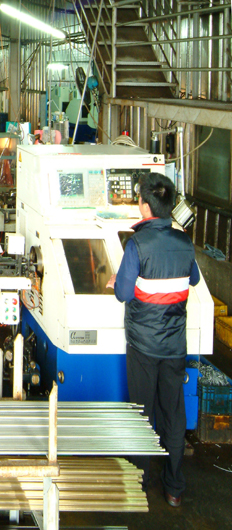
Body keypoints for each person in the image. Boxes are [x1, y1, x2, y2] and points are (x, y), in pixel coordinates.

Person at [106, 172, 200, 508]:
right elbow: (193, 278)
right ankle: (174, 488)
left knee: (142, 412)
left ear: (144, 205)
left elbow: (122, 293)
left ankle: (140, 479)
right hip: (174, 347)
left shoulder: (137, 244)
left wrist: (120, 279)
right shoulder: (184, 241)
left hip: (143, 346)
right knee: (173, 414)